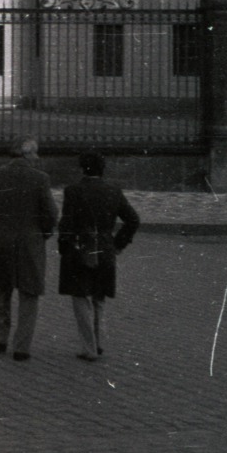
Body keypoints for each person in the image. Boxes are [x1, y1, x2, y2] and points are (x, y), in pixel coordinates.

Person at [0, 138, 57, 362]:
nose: (37, 158)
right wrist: (44, 233)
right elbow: (51, 213)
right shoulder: (40, 179)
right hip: (31, 242)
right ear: (27, 155)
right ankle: (22, 346)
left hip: (3, 240)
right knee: (29, 293)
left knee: (2, 288)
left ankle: (1, 338)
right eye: (35, 153)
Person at [58, 151, 140, 362]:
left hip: (80, 247)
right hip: (105, 247)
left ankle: (89, 347)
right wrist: (118, 244)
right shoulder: (113, 191)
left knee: (80, 297)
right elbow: (133, 220)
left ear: (82, 168)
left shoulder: (73, 191)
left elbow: (66, 223)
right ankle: (99, 342)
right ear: (102, 169)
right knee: (99, 297)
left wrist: (63, 246)